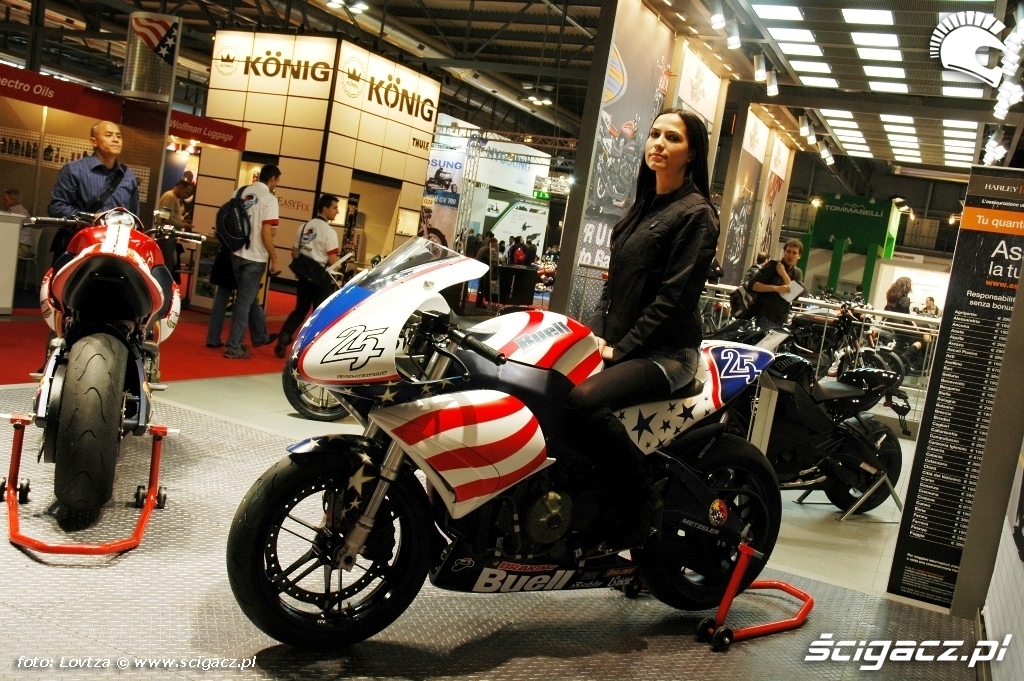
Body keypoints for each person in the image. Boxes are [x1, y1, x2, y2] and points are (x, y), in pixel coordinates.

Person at [567, 108, 720, 546]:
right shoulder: (643, 207)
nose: (658, 144)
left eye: (673, 138)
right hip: (625, 344)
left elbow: (674, 300)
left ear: (692, 153)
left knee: (584, 402)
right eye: (654, 134)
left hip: (668, 354)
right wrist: (593, 333)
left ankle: (640, 501)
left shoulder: (697, 214)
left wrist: (621, 350)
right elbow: (611, 286)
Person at [47, 120, 139, 263]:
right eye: (109, 135)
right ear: (93, 141)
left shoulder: (129, 177)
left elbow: (133, 217)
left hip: (115, 252)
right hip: (78, 247)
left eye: (119, 136)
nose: (115, 139)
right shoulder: (74, 170)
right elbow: (56, 207)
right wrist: (91, 218)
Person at [223, 165, 281, 360]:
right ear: (272, 179)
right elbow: (267, 232)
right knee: (244, 302)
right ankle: (233, 346)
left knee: (249, 298)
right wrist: (275, 259)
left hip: (236, 253)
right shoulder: (269, 199)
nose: (276, 184)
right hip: (255, 257)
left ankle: (259, 336)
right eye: (277, 181)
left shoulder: (239, 192)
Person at [274, 194, 341, 358]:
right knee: (319, 314)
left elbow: (294, 252)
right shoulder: (329, 232)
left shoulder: (304, 227)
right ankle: (310, 348)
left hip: (304, 276)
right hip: (320, 278)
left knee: (300, 310)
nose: (337, 211)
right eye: (334, 208)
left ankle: (284, 336)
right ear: (324, 209)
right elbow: (333, 260)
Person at [749, 239, 804, 325]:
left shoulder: (797, 273)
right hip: (764, 315)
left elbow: (795, 295)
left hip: (782, 318)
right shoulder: (772, 266)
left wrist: (784, 274)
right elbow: (753, 285)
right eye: (788, 251)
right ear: (784, 252)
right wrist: (776, 288)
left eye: (794, 253)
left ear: (799, 256)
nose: (790, 255)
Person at [885, 276, 931, 367]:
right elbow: (906, 318)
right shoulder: (905, 299)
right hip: (900, 327)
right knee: (922, 338)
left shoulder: (891, 297)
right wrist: (914, 326)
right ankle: (908, 355)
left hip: (891, 323)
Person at [3, 188, 32, 258]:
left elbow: (10, 230)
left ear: (14, 200)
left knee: (3, 254)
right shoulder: (10, 210)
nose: (3, 202)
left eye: (5, 200)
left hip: (21, 246)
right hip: (13, 244)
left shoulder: (20, 213)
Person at [474, 233, 497, 308]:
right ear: (492, 243)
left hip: (480, 270)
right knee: (483, 287)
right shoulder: (488, 249)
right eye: (495, 243)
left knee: (482, 286)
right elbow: (492, 260)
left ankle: (479, 302)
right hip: (484, 271)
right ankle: (479, 302)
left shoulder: (483, 248)